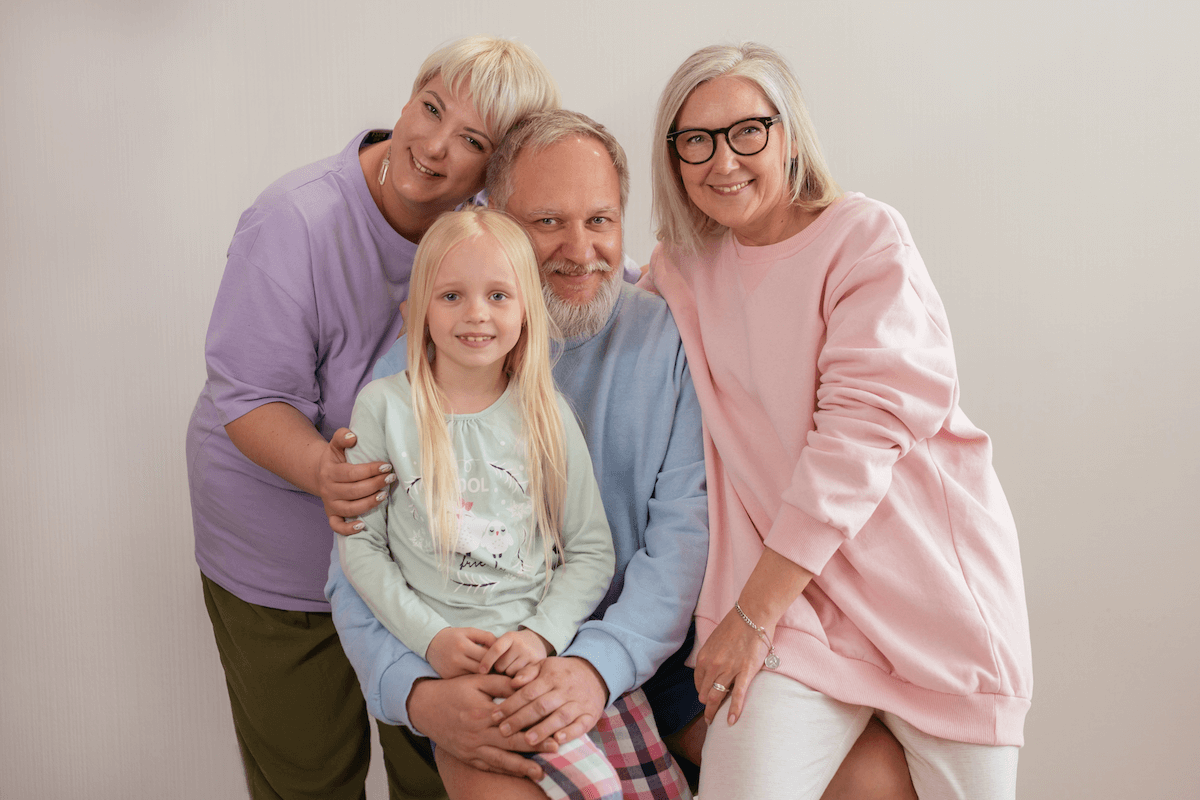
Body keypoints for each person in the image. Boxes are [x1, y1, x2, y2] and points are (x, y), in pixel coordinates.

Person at [329, 110, 919, 800]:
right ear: (495, 218)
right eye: (548, 222)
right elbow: (355, 556)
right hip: (483, 655)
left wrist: (596, 668)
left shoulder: (663, 335)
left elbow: (680, 541)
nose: (581, 251)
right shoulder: (427, 357)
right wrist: (417, 692)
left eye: (601, 220)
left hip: (650, 651)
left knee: (874, 775)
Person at [642, 42, 1034, 800]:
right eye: (696, 141)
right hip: (796, 618)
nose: (722, 161)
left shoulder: (864, 238)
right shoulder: (682, 265)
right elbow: (590, 301)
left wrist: (749, 618)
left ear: (789, 133)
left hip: (927, 600)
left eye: (747, 131)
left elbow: (855, 440)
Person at [185, 36, 559, 799]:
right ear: (410, 93)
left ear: (495, 169)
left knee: (440, 771)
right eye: (431, 109)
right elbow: (248, 398)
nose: (433, 146)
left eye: (473, 142)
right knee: (310, 775)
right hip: (279, 551)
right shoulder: (295, 220)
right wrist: (325, 471)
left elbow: (561, 257)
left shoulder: (486, 225)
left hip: (432, 566)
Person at [340, 207, 620, 799]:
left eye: (498, 294)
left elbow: (591, 549)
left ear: (526, 310)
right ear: (418, 308)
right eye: (451, 295)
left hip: (538, 664)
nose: (476, 314)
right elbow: (360, 547)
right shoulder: (384, 410)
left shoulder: (546, 415)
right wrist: (431, 640)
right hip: (453, 681)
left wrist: (541, 636)